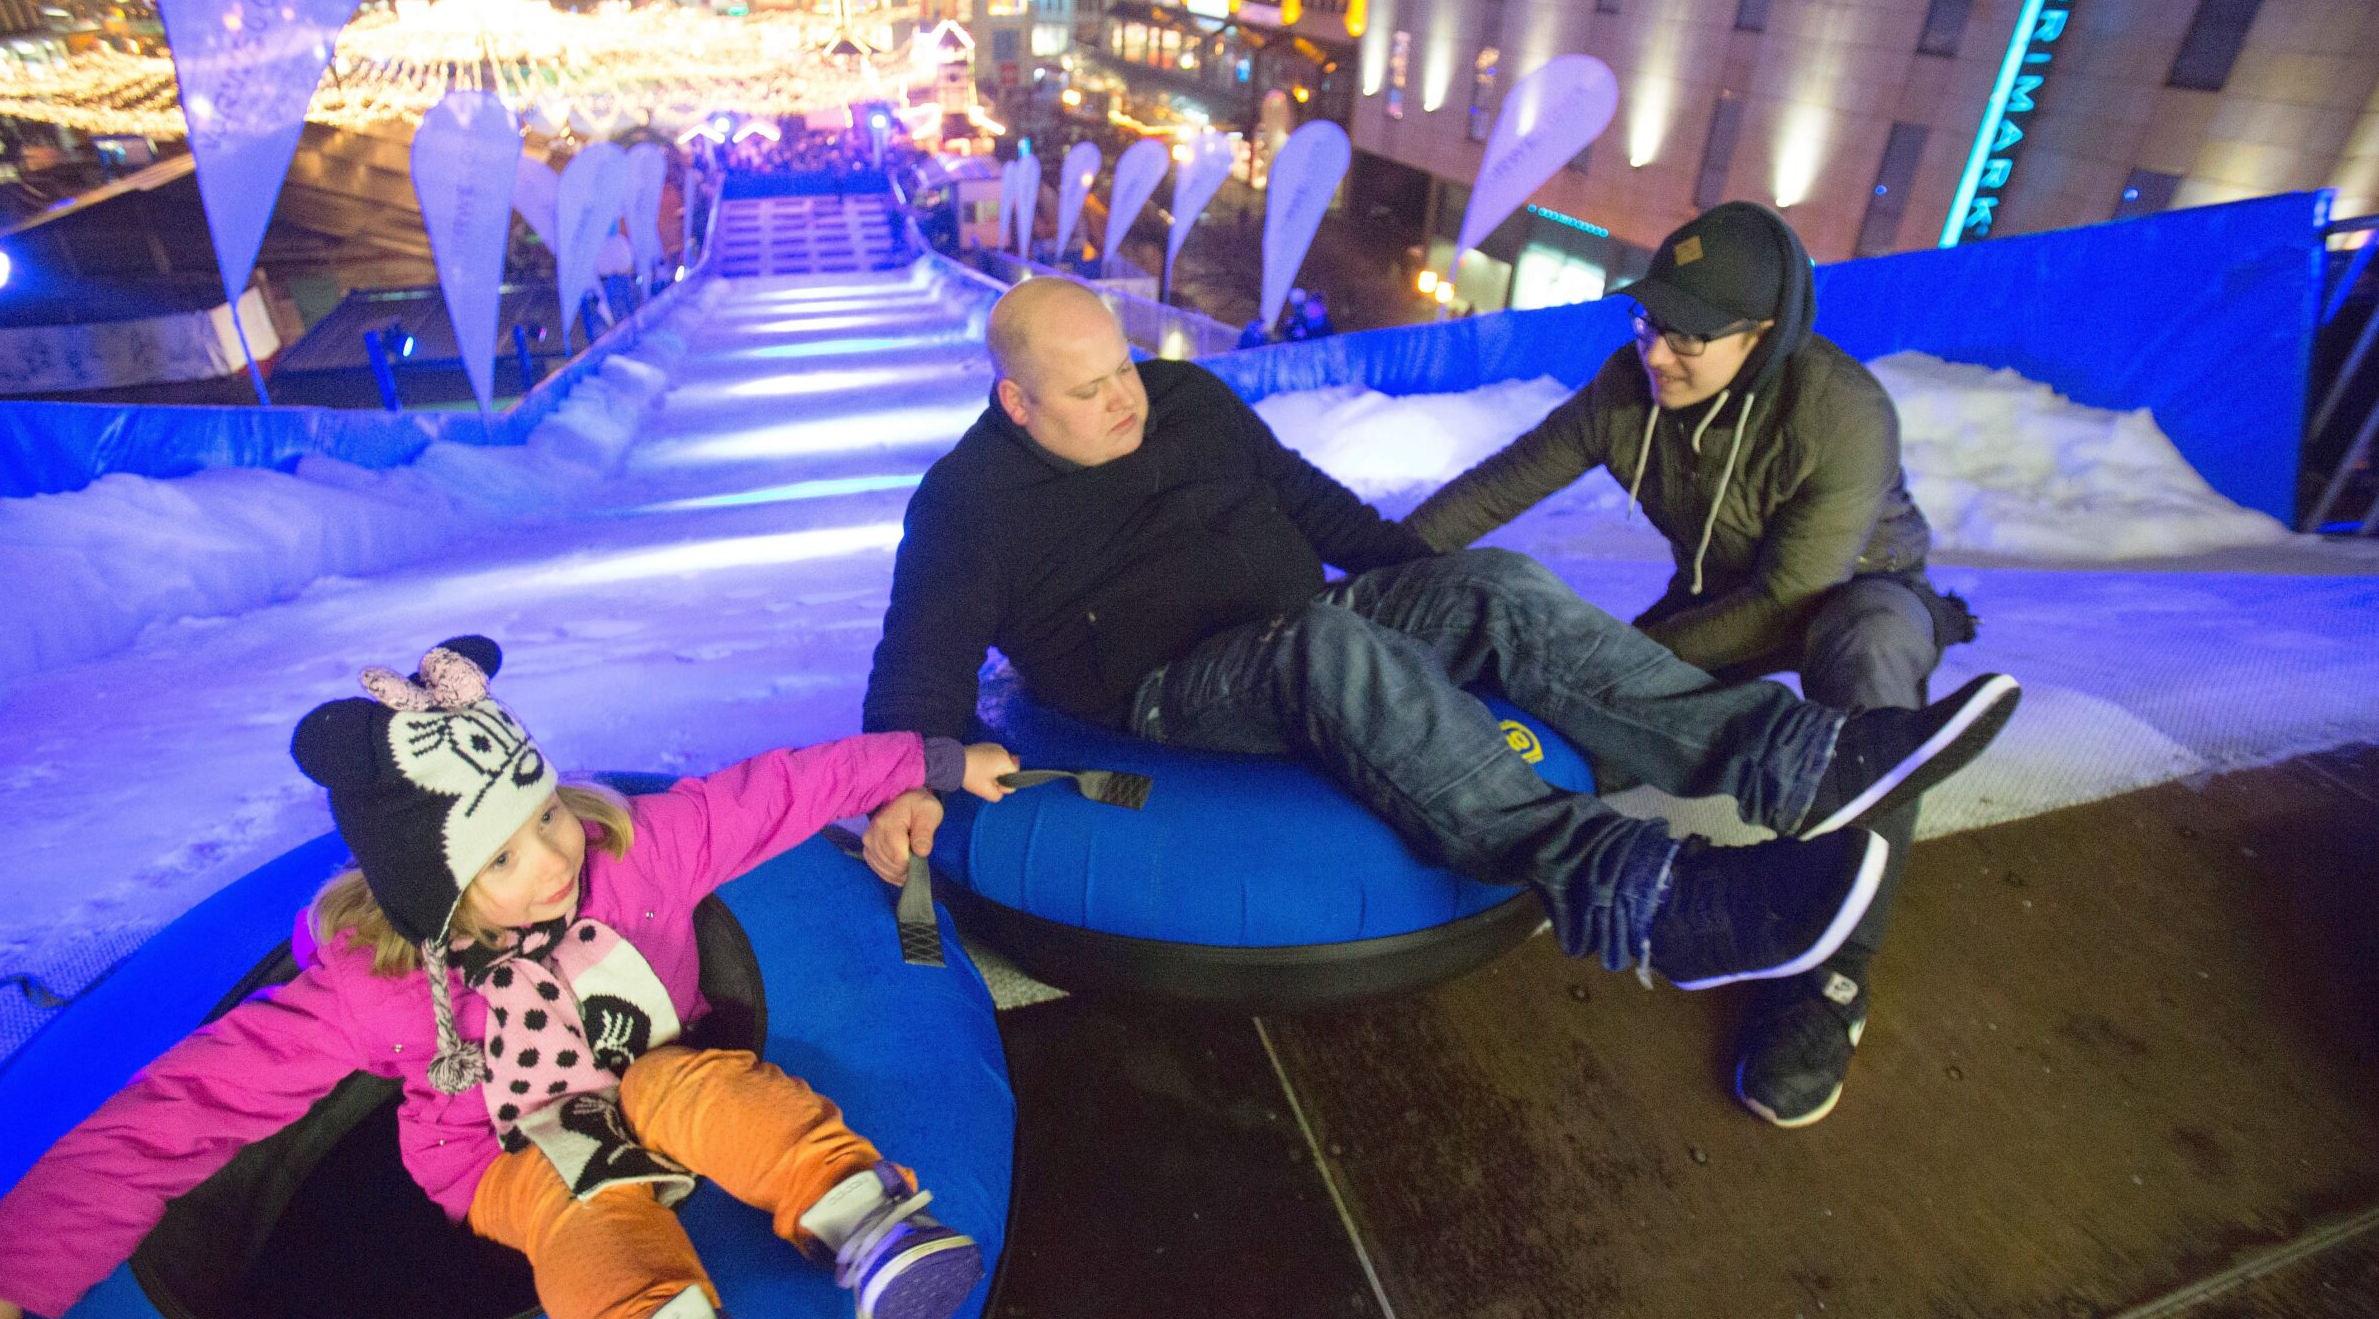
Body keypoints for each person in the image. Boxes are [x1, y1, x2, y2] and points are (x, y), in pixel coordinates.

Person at [0, 638, 1016, 1319]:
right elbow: (181, 1112)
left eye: (544, 817)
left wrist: (931, 757)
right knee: (575, 1206)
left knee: (703, 1083)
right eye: (503, 856)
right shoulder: (371, 991)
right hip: (504, 1154)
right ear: (430, 890)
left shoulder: (634, 853)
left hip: (654, 1061)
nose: (551, 858)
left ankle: (859, 1216)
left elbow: (779, 790)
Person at [860, 276, 2018, 1001]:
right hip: (1173, 688)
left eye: (1124, 366)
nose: (1127, 399)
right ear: (1017, 404)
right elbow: (916, 671)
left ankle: (1798, 761)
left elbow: (1317, 511)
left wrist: (1453, 600)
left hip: (1303, 616)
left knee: (1496, 582)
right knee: (1326, 653)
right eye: (1090, 391)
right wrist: (927, 769)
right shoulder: (968, 506)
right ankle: (1650, 898)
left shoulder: (1187, 401)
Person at [1407, 200, 1978, 1129]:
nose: (1657, 354)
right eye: (1648, 323)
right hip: (1721, 598)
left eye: (1688, 339)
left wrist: (1615, 668)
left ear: (1761, 337)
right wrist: (1371, 562)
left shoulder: (1843, 414)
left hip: (1855, 593)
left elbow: (1790, 599)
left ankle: (1829, 975)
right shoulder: (1633, 387)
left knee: (1866, 663)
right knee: (1587, 731)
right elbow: (1502, 484)